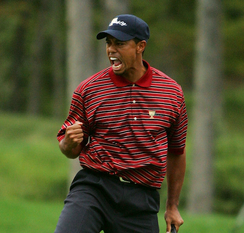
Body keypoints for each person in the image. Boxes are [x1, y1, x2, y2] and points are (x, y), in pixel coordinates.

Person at [55, 14, 188, 233]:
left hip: (141, 200)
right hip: (94, 189)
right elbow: (70, 148)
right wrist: (68, 143)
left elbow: (177, 151)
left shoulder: (171, 93)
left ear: (140, 46)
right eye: (108, 43)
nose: (111, 50)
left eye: (120, 43)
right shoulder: (89, 89)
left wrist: (172, 206)